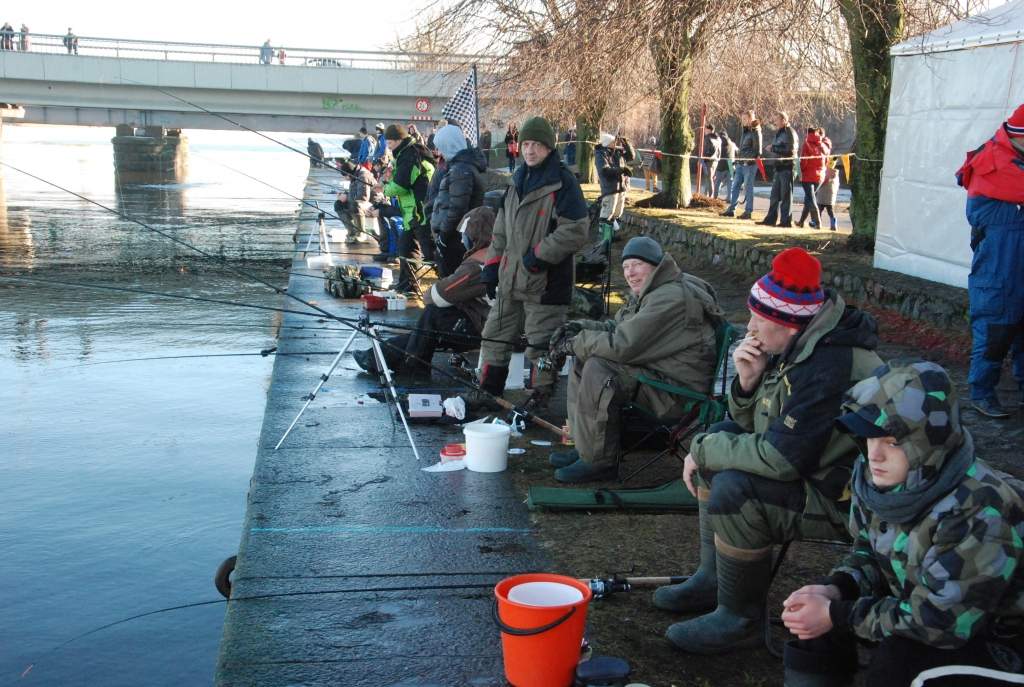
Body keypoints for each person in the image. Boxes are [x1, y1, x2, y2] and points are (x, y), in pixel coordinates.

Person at [655, 247, 882, 655]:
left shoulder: (828, 364)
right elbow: (753, 427)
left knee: (735, 489)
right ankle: (715, 580)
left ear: (789, 325)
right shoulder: (801, 345)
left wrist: (703, 448)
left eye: (760, 319)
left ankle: (740, 619)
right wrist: (746, 383)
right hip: (815, 471)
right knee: (722, 441)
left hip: (849, 500)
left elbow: (782, 458)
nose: (751, 327)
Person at [781, 359, 1024, 687]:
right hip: (937, 613)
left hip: (1002, 639)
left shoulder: (979, 508)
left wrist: (840, 615)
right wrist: (838, 587)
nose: (875, 455)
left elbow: (942, 622)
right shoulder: (884, 482)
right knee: (817, 615)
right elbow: (870, 550)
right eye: (869, 438)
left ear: (928, 443)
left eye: (893, 442)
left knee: (897, 660)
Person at [547, 237, 722, 483]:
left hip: (676, 393)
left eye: (637, 264)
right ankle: (585, 448)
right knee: (585, 360)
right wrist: (579, 327)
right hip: (658, 374)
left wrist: (574, 343)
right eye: (626, 266)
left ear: (656, 265)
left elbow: (623, 345)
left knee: (599, 367)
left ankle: (599, 462)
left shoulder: (669, 298)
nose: (630, 273)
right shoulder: (656, 288)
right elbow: (619, 327)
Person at [471, 116, 589, 411]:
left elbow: (575, 229)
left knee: (541, 344)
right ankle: (488, 393)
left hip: (547, 281)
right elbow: (500, 232)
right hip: (511, 278)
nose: (529, 150)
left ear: (549, 148)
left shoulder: (564, 183)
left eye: (536, 144)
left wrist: (538, 256)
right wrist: (491, 267)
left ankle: (539, 397)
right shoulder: (516, 180)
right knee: (494, 334)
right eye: (525, 144)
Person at [353, 207, 497, 377]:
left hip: (483, 327)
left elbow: (437, 296)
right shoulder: (497, 255)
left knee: (432, 315)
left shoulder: (476, 266)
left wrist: (438, 290)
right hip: (487, 320)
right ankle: (379, 358)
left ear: (474, 237)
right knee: (425, 330)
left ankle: (412, 368)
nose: (463, 241)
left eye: (466, 236)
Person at [956, 103, 1024, 419]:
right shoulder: (993, 163)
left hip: (1012, 265)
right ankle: (981, 394)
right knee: (994, 335)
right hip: (998, 272)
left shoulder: (1009, 158)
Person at [382, 124, 436, 293]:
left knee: (432, 254)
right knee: (405, 248)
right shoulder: (405, 153)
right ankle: (407, 286)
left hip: (422, 212)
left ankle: (452, 287)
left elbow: (401, 186)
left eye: (390, 143)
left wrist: (383, 188)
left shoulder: (411, 154)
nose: (388, 147)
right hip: (412, 212)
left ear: (399, 140)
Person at [430, 124, 487, 277]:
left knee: (450, 282)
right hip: (457, 236)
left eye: (441, 147)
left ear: (449, 145)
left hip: (455, 239)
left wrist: (443, 236)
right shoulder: (460, 167)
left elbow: (457, 208)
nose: (439, 152)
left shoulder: (461, 170)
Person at [759, 111, 799, 227]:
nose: (775, 122)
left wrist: (773, 148)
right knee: (774, 196)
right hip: (779, 167)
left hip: (787, 167)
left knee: (786, 196)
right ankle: (770, 219)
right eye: (775, 120)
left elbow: (791, 150)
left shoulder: (790, 132)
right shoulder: (780, 133)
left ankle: (786, 221)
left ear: (784, 120)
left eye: (777, 120)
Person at [722, 111, 762, 219]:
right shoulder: (745, 131)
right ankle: (732, 209)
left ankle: (748, 211)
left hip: (749, 165)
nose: (742, 121)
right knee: (735, 187)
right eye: (742, 119)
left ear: (750, 119)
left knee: (748, 189)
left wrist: (746, 159)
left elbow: (758, 151)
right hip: (740, 164)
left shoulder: (756, 131)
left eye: (744, 119)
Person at [594, 133, 635, 232]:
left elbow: (631, 156)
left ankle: (612, 235)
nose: (615, 143)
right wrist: (622, 169)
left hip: (621, 188)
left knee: (617, 214)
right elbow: (605, 171)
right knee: (607, 214)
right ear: (607, 143)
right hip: (610, 188)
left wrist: (626, 143)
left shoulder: (617, 152)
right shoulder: (601, 154)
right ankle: (603, 239)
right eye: (613, 142)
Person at [795, 127, 830, 229]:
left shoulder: (807, 144)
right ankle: (801, 222)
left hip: (808, 176)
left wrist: (800, 171)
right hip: (820, 177)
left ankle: (817, 222)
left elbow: (804, 161)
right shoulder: (823, 144)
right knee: (809, 198)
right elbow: (827, 161)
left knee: (811, 199)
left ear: (808, 133)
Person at [817, 158, 840, 231]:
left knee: (819, 209)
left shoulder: (827, 172)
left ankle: (818, 223)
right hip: (831, 196)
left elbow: (822, 181)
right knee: (830, 210)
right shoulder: (836, 173)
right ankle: (833, 225)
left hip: (823, 194)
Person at [713, 131, 736, 200]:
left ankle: (715, 197)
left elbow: (717, 154)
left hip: (721, 165)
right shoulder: (732, 144)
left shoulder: (719, 143)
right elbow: (738, 152)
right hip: (731, 164)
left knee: (717, 182)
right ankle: (729, 197)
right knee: (730, 183)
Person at [700, 124, 722, 197]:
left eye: (705, 129)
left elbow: (707, 150)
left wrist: (704, 158)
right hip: (716, 160)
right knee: (710, 178)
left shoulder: (708, 138)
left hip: (709, 160)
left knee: (709, 178)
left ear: (709, 130)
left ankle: (710, 196)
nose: (704, 131)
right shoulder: (718, 139)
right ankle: (707, 195)